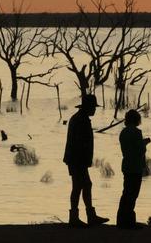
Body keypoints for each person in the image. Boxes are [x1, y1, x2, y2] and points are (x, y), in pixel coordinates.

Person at [63, 94, 110, 227]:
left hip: (76, 159)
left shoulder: (79, 118)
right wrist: (83, 160)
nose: (94, 110)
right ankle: (80, 217)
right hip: (77, 159)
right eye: (93, 107)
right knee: (80, 186)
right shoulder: (80, 120)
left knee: (81, 186)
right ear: (88, 107)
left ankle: (85, 216)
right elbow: (79, 143)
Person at [116, 109, 150, 229]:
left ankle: (121, 220)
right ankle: (129, 221)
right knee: (132, 194)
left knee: (126, 193)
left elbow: (129, 148)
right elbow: (139, 150)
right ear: (136, 120)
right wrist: (145, 143)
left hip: (126, 165)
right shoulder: (136, 132)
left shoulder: (123, 132)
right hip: (135, 167)